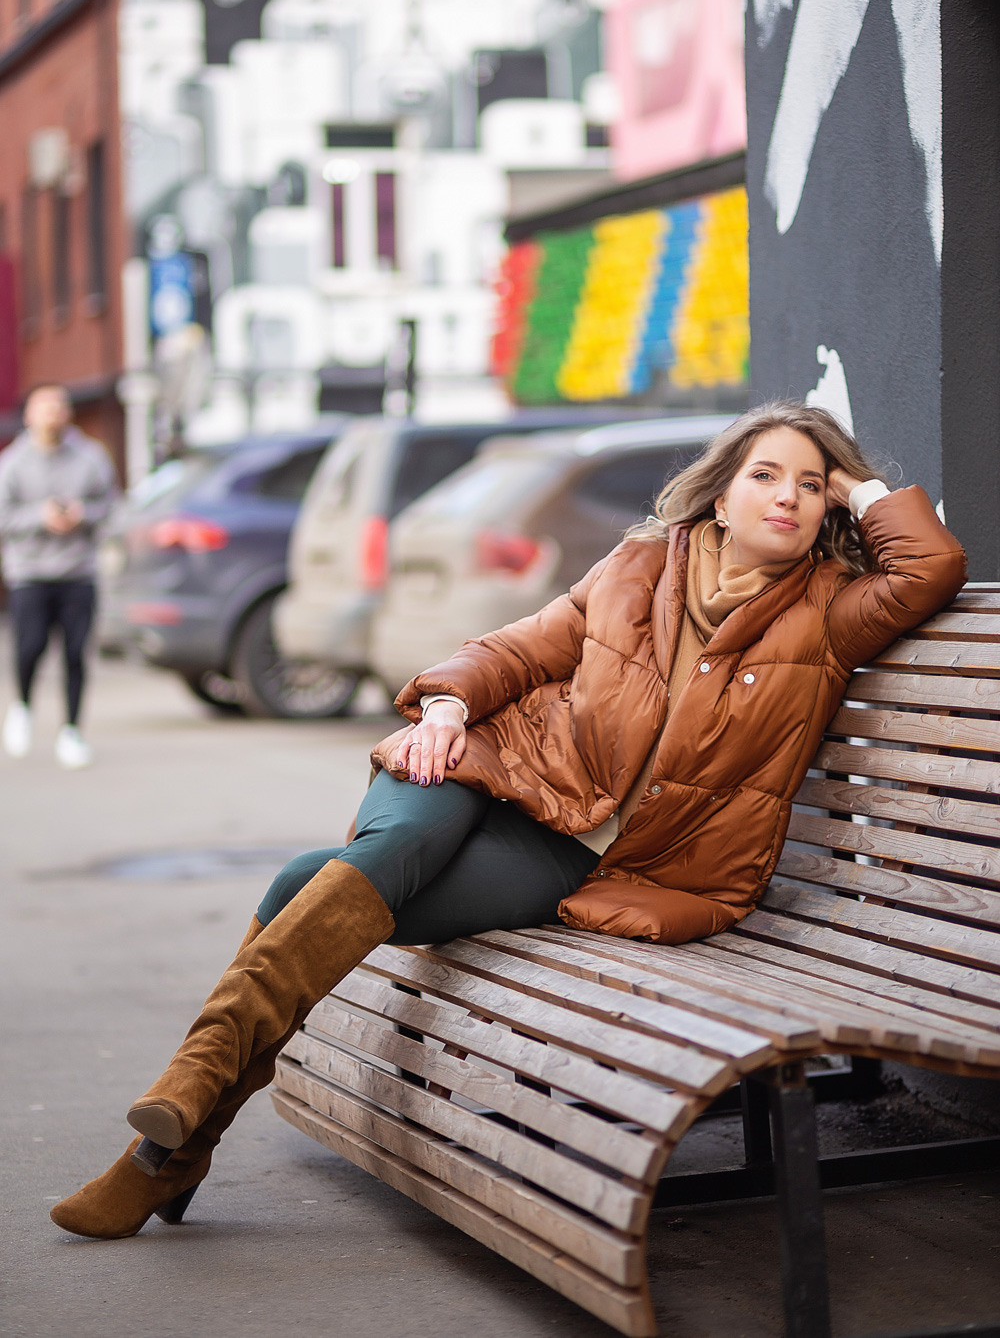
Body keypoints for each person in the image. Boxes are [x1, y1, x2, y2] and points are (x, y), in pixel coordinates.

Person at [50, 402, 966, 1238]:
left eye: (811, 485)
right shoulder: (638, 567)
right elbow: (518, 649)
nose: (790, 496)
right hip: (485, 759)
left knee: (303, 885)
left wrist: (862, 486)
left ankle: (173, 1143)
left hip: (572, 852)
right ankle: (177, 1116)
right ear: (719, 497)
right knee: (403, 838)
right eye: (764, 474)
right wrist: (446, 706)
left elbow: (932, 568)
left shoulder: (828, 616)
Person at [0, 384, 117, 769]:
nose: (54, 413)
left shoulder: (91, 457)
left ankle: (72, 730)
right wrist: (41, 517)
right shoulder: (13, 463)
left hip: (78, 571)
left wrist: (82, 514)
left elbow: (113, 507)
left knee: (75, 654)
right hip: (29, 572)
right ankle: (22, 707)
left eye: (60, 406)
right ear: (30, 414)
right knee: (29, 648)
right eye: (45, 406)